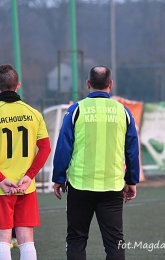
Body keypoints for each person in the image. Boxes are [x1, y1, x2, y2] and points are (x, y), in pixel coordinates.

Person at [52, 65, 139, 260]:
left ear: (88, 84)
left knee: (76, 239)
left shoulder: (76, 110)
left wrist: (58, 178)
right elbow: (132, 150)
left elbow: (63, 147)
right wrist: (131, 180)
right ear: (111, 84)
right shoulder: (123, 112)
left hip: (80, 185)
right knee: (115, 241)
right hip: (112, 185)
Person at [0, 64, 51, 260]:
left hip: (1, 188)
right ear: (18, 86)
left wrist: (0, 179)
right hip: (26, 186)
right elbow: (45, 149)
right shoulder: (33, 113)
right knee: (26, 240)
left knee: (2, 240)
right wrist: (28, 177)